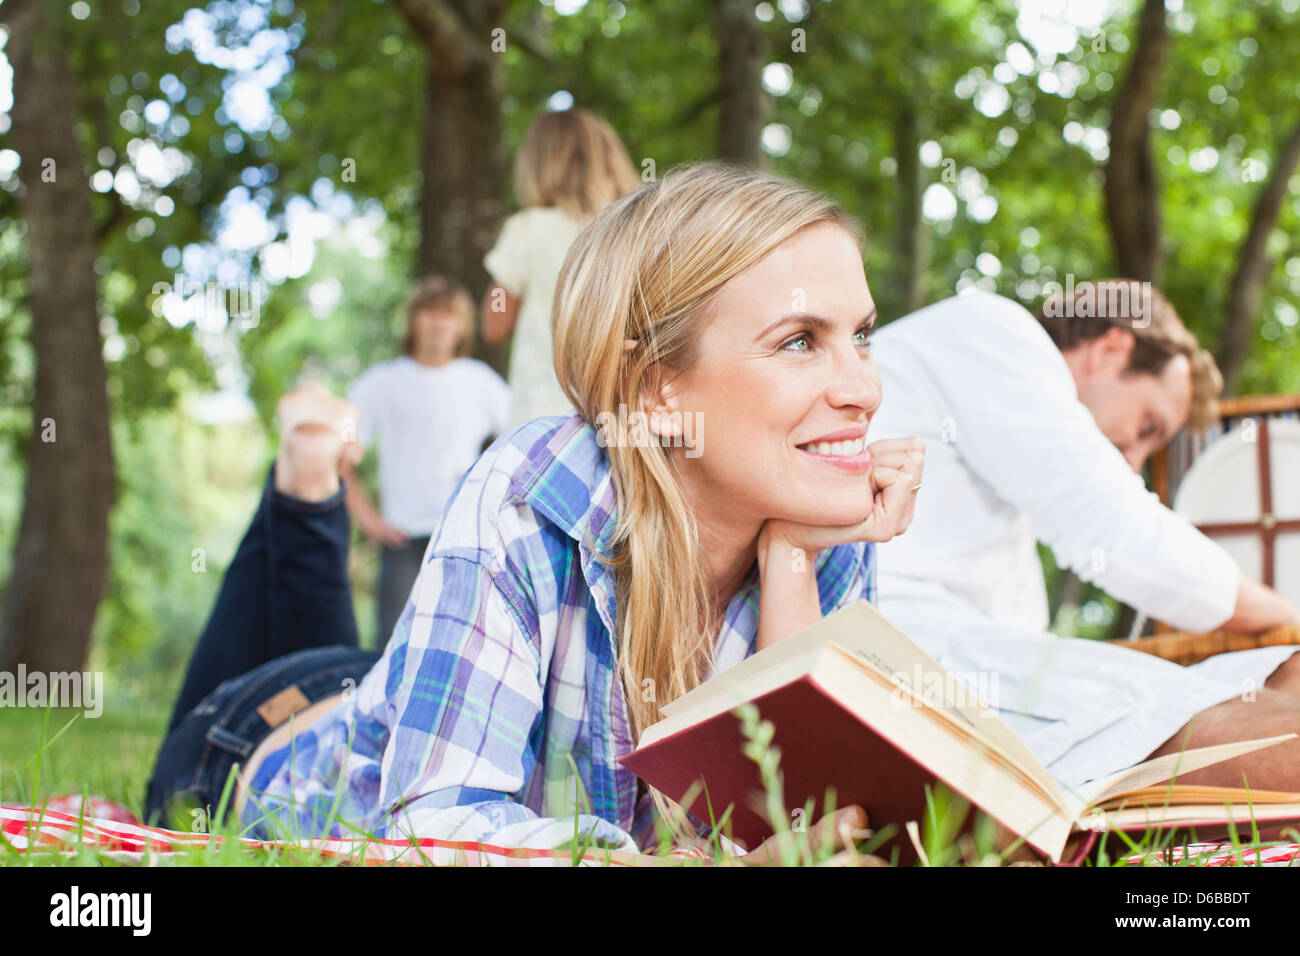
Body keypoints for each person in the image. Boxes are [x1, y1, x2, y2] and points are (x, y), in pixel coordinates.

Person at [146, 163, 926, 861]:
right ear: (657, 387)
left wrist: (791, 562)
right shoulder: (531, 495)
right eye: (798, 342)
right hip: (264, 739)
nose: (863, 388)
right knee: (304, 578)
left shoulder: (821, 529)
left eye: (861, 336)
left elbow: (806, 826)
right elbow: (433, 829)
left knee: (376, 673)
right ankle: (308, 479)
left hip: (429, 693)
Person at [866, 280, 1300, 794]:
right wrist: (1285, 616)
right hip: (893, 656)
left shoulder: (996, 481)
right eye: (1146, 427)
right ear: (1111, 350)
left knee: (1283, 675)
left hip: (942, 658)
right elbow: (1119, 529)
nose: (1134, 462)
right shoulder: (992, 329)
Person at [343, 276, 510, 644]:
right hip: (401, 542)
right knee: (392, 649)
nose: (439, 323)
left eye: (449, 315)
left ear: (462, 324)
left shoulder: (481, 382)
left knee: (462, 645)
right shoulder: (381, 383)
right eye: (429, 313)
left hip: (464, 538)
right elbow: (341, 459)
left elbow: (521, 447)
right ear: (413, 321)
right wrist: (370, 522)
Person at [481, 107, 641, 429]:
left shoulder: (527, 228)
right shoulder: (636, 229)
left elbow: (494, 325)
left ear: (539, 165)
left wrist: (501, 288)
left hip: (545, 418)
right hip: (626, 412)